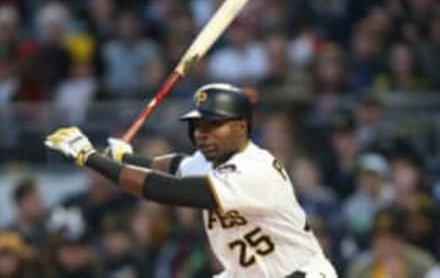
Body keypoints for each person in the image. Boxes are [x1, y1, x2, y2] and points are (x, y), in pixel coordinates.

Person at [44, 83, 338, 277]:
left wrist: (90, 158)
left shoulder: (254, 170)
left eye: (214, 124)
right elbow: (173, 167)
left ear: (241, 126)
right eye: (198, 124)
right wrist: (123, 157)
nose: (202, 133)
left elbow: (164, 189)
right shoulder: (216, 159)